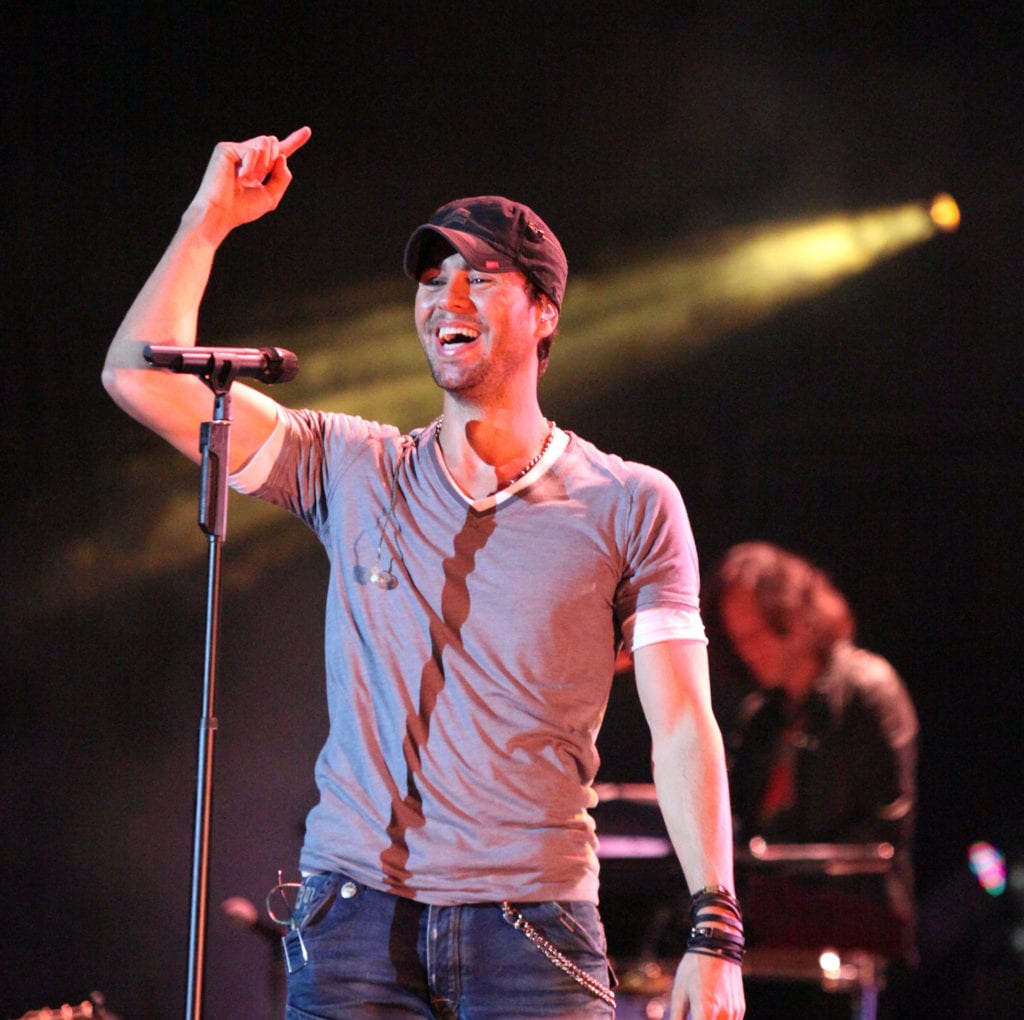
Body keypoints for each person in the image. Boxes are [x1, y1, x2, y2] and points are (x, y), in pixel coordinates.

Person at [102, 127, 745, 1019]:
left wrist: (715, 929)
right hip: (352, 925)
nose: (449, 296)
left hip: (533, 930)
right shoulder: (352, 466)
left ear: (546, 312)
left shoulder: (630, 502)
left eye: (481, 275)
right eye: (433, 278)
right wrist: (207, 220)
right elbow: (139, 379)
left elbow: (681, 725)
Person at [712, 541, 918, 963]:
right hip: (775, 931)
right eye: (738, 639)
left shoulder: (867, 691)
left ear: (797, 619)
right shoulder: (761, 717)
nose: (747, 650)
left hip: (853, 933)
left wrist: (782, 872)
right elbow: (736, 824)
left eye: (756, 634)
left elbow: (884, 834)